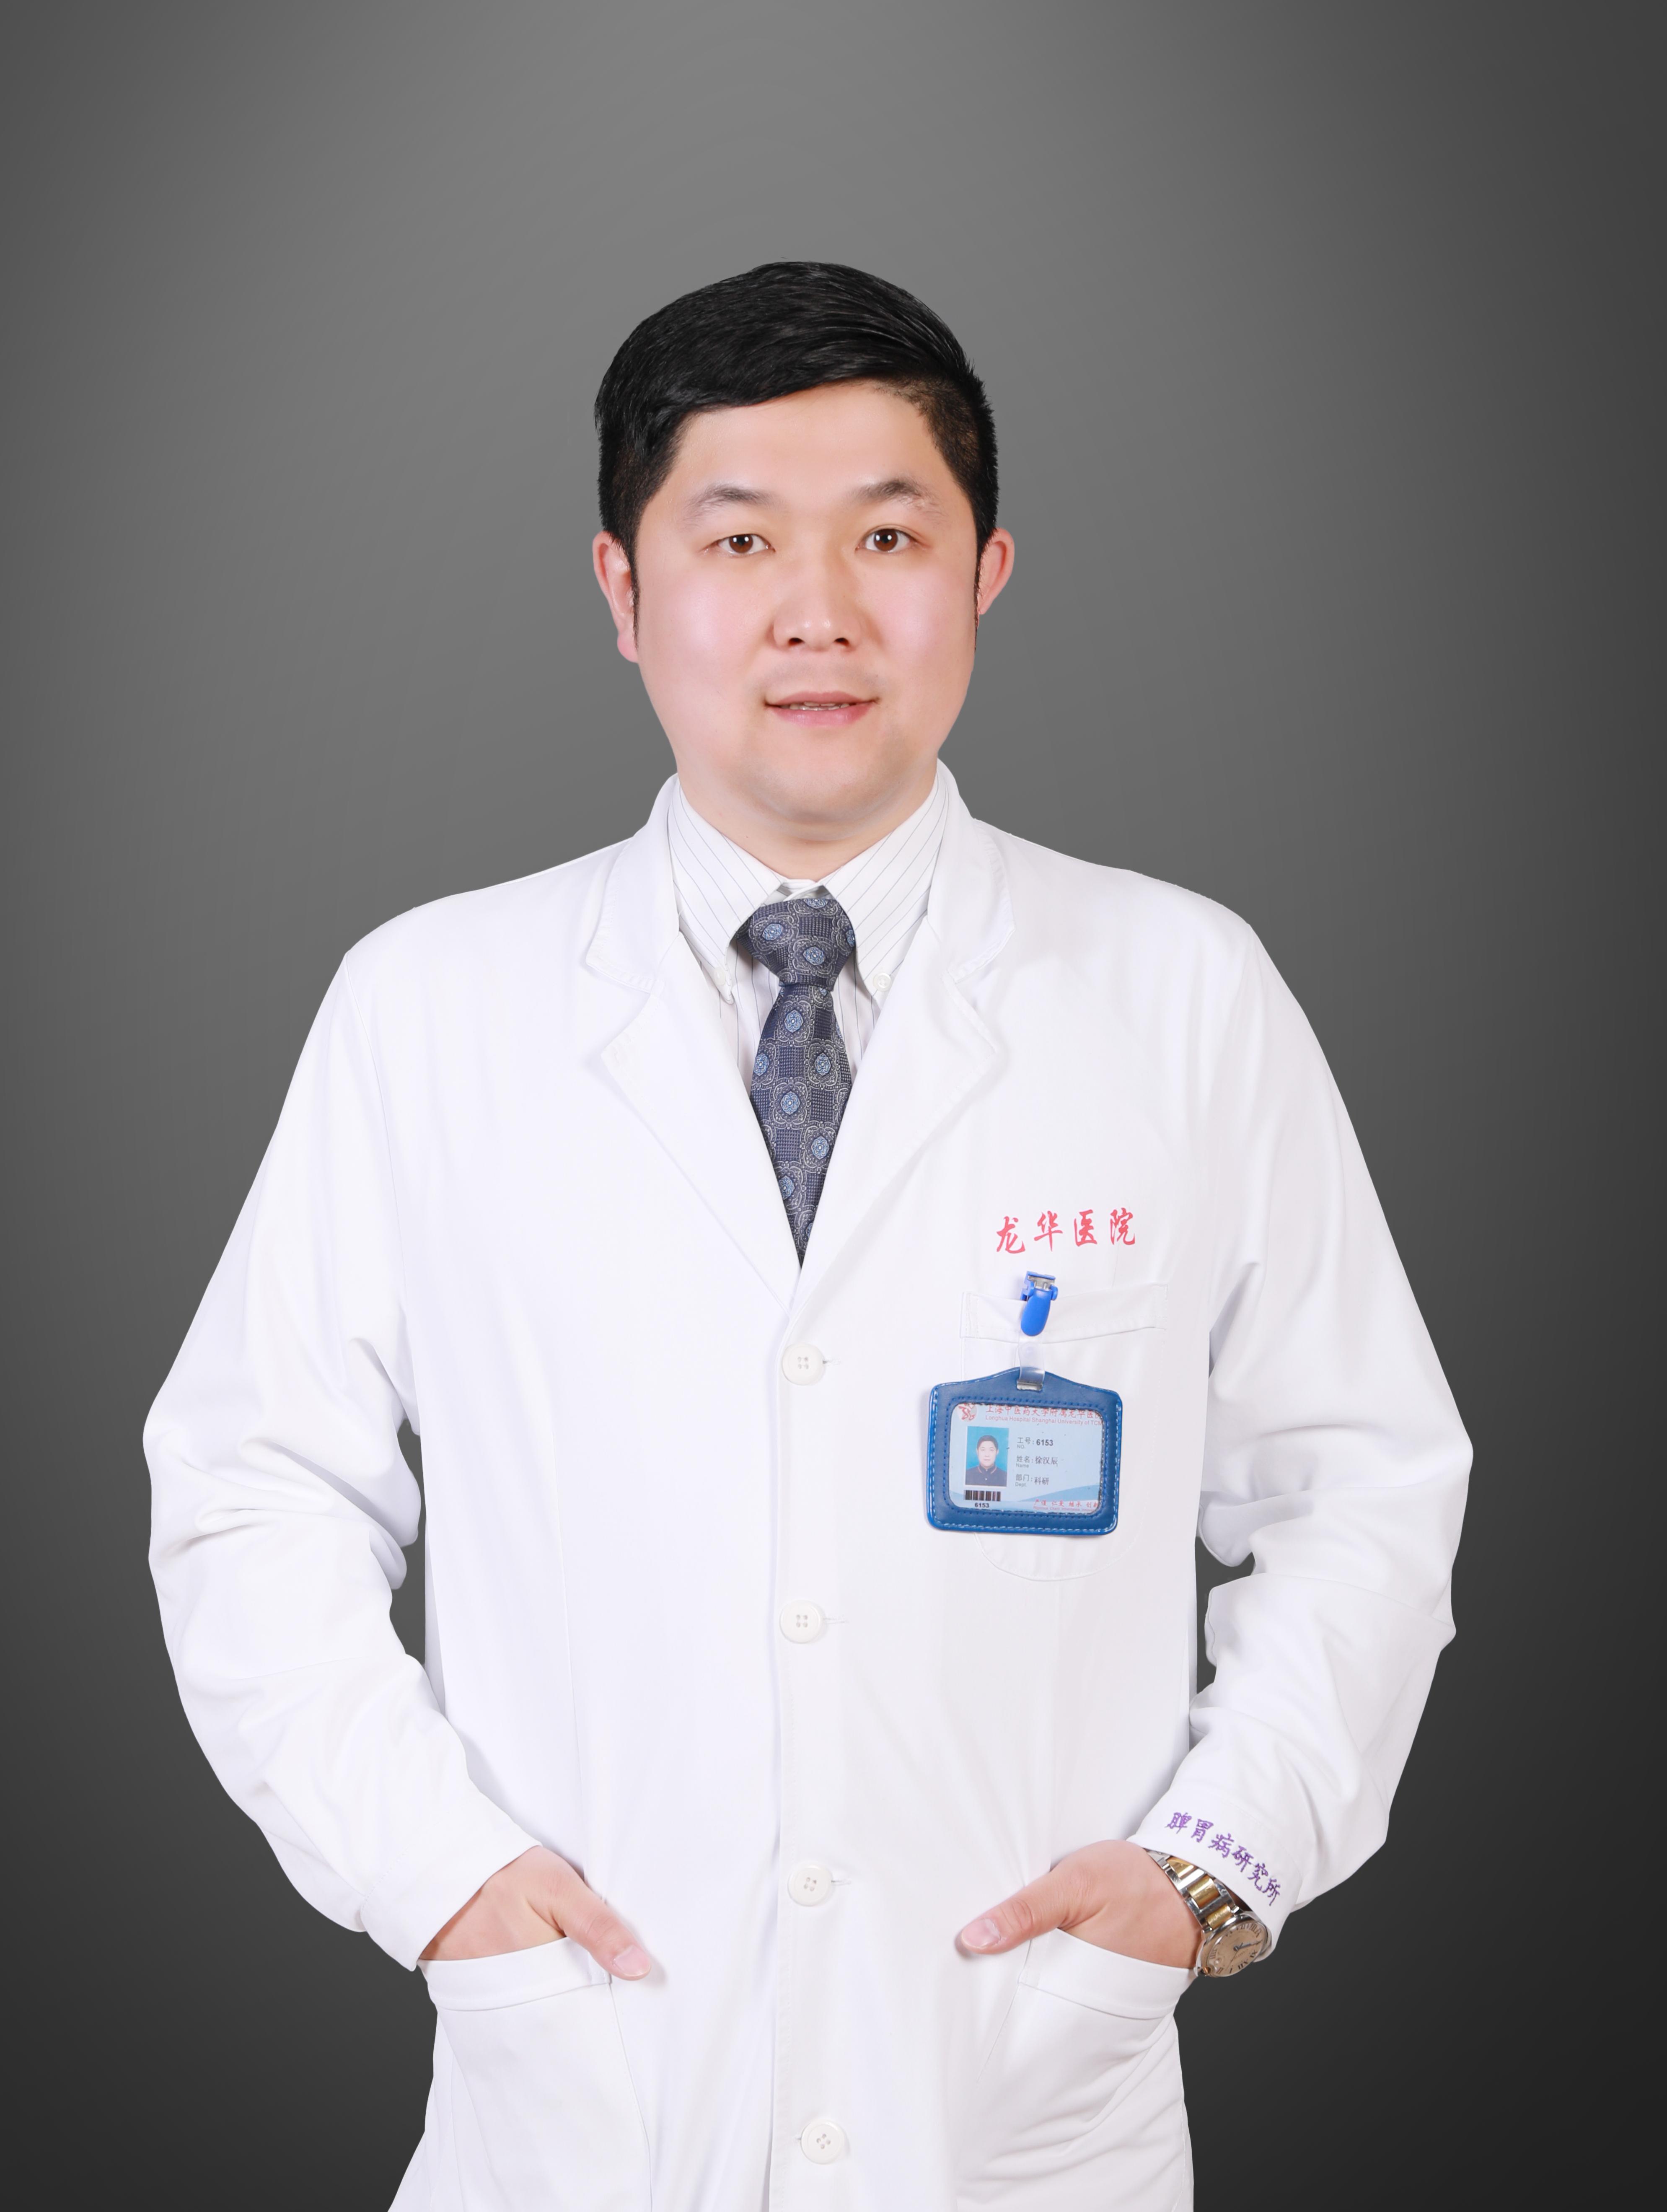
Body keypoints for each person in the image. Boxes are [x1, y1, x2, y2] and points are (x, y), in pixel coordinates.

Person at [145, 261, 1470, 2210]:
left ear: (986, 572)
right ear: (621, 590)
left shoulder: (1180, 991)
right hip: (578, 2100)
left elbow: (1357, 1486)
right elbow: (251, 1489)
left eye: (888, 537)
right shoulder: (427, 1006)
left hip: (1023, 2104)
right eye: (739, 538)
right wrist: (430, 1876)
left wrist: (1211, 1868)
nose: (817, 613)